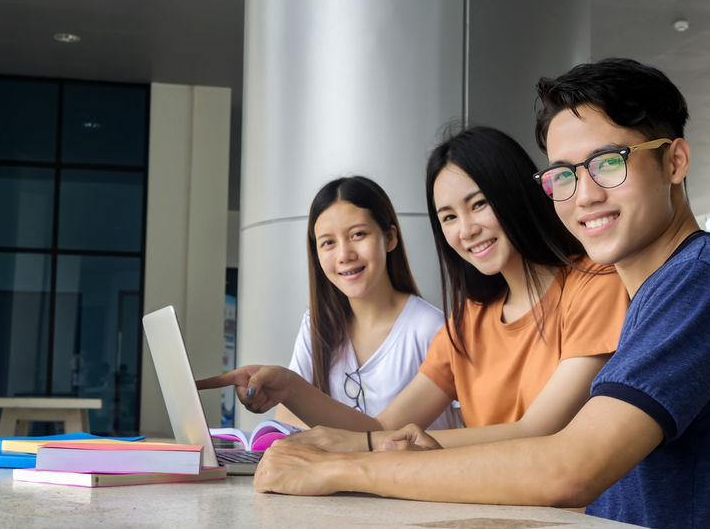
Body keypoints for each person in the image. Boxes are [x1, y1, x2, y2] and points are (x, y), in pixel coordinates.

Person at [254, 60, 710, 529]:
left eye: (609, 162)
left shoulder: (702, 279)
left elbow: (569, 466)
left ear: (674, 162)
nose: (587, 194)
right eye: (565, 175)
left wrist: (344, 468)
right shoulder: (656, 289)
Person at [198, 126, 628, 452]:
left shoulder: (595, 284)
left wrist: (402, 446)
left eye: (479, 204)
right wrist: (292, 387)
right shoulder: (468, 321)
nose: (467, 230)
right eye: (449, 217)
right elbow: (384, 428)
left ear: (516, 193)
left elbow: (539, 432)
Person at [211, 175, 457, 430]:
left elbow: (383, 434)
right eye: (328, 242)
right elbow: (286, 420)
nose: (344, 255)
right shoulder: (316, 326)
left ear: (390, 238)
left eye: (358, 234)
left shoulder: (432, 329)